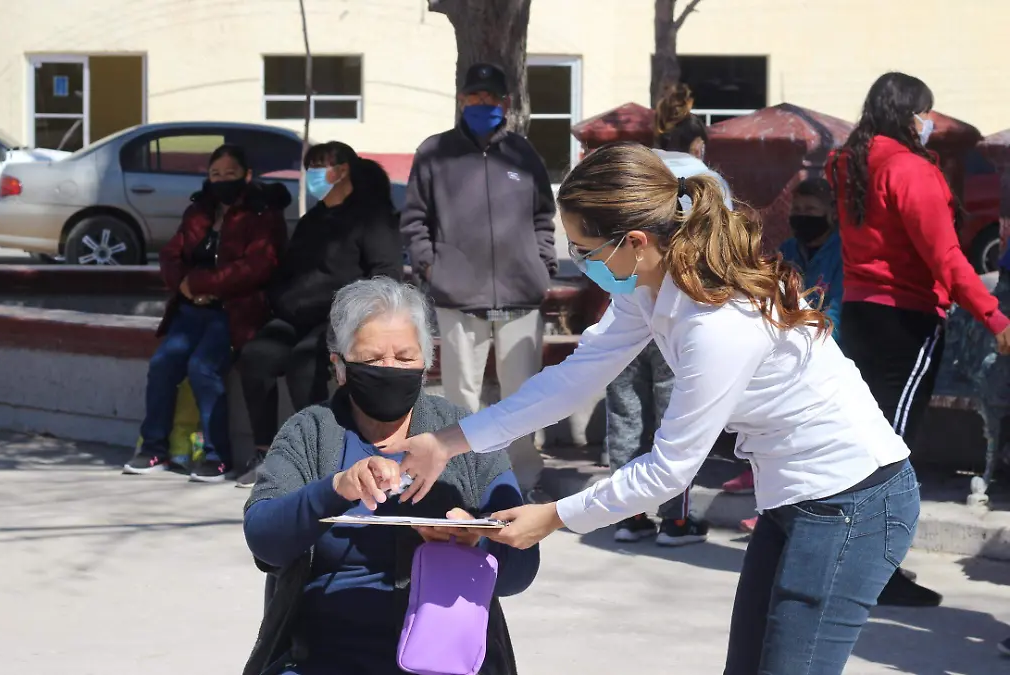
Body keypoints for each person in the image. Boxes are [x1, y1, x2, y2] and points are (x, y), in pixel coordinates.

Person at [387, 142, 921, 675]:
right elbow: (572, 380)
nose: (581, 263)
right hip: (793, 496)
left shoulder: (717, 321)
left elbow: (670, 470)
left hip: (851, 502)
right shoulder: (651, 285)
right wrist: (448, 442)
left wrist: (554, 516)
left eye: (586, 251)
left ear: (636, 241)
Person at [241, 277, 539, 675]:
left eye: (404, 357)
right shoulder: (310, 432)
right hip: (325, 656)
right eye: (373, 358)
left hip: (445, 659)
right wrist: (336, 488)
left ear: (425, 363)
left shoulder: (464, 435)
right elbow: (264, 541)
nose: (390, 369)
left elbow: (520, 570)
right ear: (340, 367)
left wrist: (478, 541)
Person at [828, 72, 1010, 608]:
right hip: (907, 319)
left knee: (865, 442)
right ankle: (874, 569)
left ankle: (846, 559)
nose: (929, 123)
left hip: (862, 312)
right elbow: (947, 258)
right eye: (925, 112)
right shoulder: (911, 169)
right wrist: (995, 318)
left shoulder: (848, 162)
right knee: (889, 450)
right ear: (911, 115)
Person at [401, 62, 557, 501]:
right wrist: (433, 267)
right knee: (460, 399)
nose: (483, 103)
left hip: (520, 297)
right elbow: (415, 220)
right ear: (462, 99)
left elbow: (544, 215)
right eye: (475, 96)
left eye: (491, 97)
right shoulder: (434, 153)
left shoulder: (523, 154)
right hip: (459, 298)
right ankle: (465, 483)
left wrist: (541, 263)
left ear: (505, 103)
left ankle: (524, 480)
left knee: (523, 399)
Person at [237, 142, 402, 489]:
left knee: (304, 364)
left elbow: (386, 274)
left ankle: (317, 457)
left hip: (343, 320)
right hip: (295, 317)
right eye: (309, 166)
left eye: (319, 166)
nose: (312, 175)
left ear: (342, 170)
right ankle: (265, 453)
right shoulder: (313, 218)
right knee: (256, 357)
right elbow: (288, 271)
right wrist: (281, 299)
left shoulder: (371, 216)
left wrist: (359, 318)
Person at [606, 84, 728, 546]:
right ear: (698, 144)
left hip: (624, 307)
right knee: (673, 417)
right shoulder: (707, 181)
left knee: (625, 412)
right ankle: (675, 519)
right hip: (681, 313)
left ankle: (626, 515)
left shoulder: (635, 175)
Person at [123, 145, 286, 481]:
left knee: (203, 367)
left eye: (230, 174)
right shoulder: (199, 211)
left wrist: (200, 283)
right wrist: (183, 285)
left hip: (234, 312)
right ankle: (154, 448)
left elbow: (257, 267)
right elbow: (171, 253)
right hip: (191, 310)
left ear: (247, 175)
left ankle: (218, 457)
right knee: (163, 364)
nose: (222, 181)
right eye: (215, 174)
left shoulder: (262, 213)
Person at [727, 176, 844, 531]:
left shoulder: (842, 253)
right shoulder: (789, 250)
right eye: (798, 210)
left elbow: (836, 308)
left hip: (825, 348)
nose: (802, 216)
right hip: (787, 345)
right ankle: (763, 482)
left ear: (830, 214)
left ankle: (781, 508)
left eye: (811, 210)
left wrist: (812, 336)